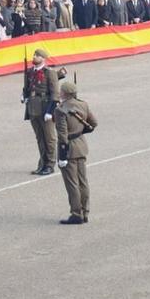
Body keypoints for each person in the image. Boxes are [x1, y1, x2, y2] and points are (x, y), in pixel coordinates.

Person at [53, 77, 96, 224]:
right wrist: (79, 132)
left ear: (64, 94)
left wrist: (63, 154)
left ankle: (76, 213)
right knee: (83, 181)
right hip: (81, 146)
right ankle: (85, 212)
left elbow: (62, 135)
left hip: (69, 149)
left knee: (72, 183)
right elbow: (93, 123)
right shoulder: (83, 105)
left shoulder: (60, 110)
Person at [21, 47, 60, 175]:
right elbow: (26, 88)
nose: (34, 57)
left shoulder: (50, 72)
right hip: (33, 108)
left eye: (36, 56)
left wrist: (50, 111)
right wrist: (24, 96)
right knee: (40, 138)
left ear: (43, 58)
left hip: (45, 108)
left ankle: (50, 164)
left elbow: (55, 94)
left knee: (49, 138)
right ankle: (42, 163)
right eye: (33, 55)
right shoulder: (29, 72)